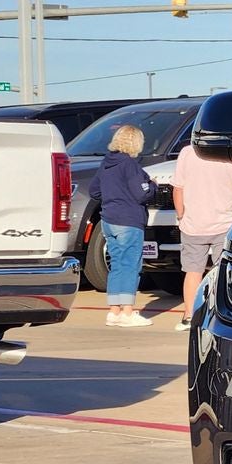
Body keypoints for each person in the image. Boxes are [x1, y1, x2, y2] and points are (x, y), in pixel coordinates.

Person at [171, 140, 232, 331]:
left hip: (193, 224)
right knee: (221, 272)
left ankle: (189, 315)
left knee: (192, 271)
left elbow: (178, 188)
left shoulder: (188, 153)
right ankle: (219, 315)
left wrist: (181, 214)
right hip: (224, 224)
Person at [88, 124, 157, 327]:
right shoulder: (130, 164)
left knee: (117, 264)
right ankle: (127, 312)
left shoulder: (107, 163)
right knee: (131, 265)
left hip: (109, 220)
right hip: (128, 220)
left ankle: (114, 311)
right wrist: (152, 185)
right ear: (135, 142)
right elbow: (141, 193)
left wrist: (113, 196)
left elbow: (94, 191)